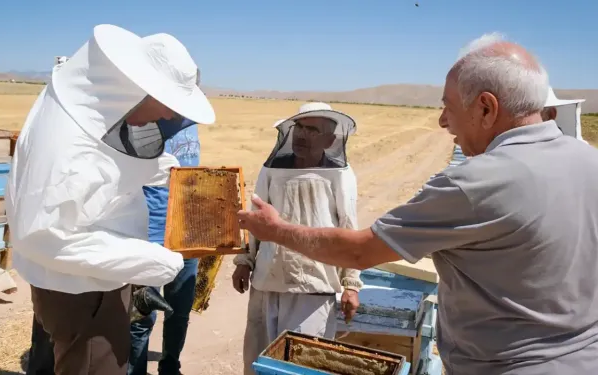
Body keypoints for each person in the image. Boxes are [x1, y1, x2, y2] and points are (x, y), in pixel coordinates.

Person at [237, 33, 598, 375]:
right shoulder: (588, 160)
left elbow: (361, 251)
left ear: (486, 108)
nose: (443, 121)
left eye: (448, 107)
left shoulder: (476, 182)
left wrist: (275, 230)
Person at [5, 25, 215, 375]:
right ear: (137, 89)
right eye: (168, 104)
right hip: (81, 292)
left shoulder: (93, 109)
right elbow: (44, 237)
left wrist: (160, 168)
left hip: (92, 284)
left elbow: (105, 163)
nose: (169, 116)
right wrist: (152, 259)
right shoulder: (64, 150)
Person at [232, 102, 363, 375]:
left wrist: (351, 284)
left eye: (313, 130)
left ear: (330, 139)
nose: (303, 135)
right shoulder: (272, 169)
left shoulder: (341, 174)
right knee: (259, 362)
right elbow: (256, 216)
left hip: (314, 285)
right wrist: (244, 261)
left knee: (301, 366)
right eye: (300, 128)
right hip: (268, 281)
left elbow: (349, 228)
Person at [129, 119, 202, 374]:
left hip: (187, 231)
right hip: (148, 234)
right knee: (141, 316)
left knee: (179, 310)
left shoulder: (191, 122)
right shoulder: (143, 118)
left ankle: (170, 367)